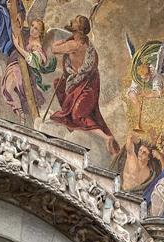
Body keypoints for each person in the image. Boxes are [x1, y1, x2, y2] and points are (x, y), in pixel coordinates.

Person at [50, 15, 117, 154]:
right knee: (58, 84)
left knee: (77, 115)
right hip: (84, 83)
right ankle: (74, 125)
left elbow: (54, 49)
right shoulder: (84, 42)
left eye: (75, 21)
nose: (72, 21)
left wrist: (62, 41)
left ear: (79, 30)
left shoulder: (74, 44)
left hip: (84, 86)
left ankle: (106, 138)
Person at [1, 18, 54, 117]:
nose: (32, 29)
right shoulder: (26, 35)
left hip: (23, 71)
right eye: (32, 26)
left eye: (36, 29)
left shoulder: (37, 45)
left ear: (40, 33)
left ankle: (20, 111)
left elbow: (32, 60)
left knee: (10, 88)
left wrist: (17, 46)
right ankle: (18, 109)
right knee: (8, 89)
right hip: (14, 64)